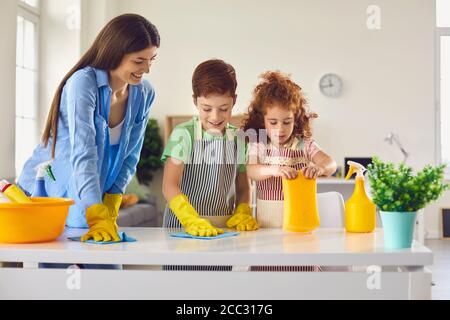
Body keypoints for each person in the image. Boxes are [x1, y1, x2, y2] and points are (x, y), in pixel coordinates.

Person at [17, 14, 160, 244]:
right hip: (50, 195)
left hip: (88, 196)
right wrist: (95, 211)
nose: (147, 69)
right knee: (59, 275)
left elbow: (130, 155)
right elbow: (84, 152)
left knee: (106, 272)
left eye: (152, 60)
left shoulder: (143, 93)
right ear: (116, 52)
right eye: (139, 61)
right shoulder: (83, 83)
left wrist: (112, 201)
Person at [243, 71, 337, 271]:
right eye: (273, 122)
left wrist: (319, 168)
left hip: (300, 231)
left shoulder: (304, 144)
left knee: (301, 275)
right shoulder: (259, 143)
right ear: (263, 120)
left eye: (287, 122)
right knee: (268, 277)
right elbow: (251, 171)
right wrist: (274, 169)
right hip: (267, 229)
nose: (280, 129)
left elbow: (331, 164)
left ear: (296, 119)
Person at [161, 59, 258, 239]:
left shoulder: (239, 139)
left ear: (234, 101)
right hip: (182, 228)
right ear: (195, 101)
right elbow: (169, 185)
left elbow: (244, 187)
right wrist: (190, 219)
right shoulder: (183, 134)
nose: (215, 116)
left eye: (223, 108)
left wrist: (243, 210)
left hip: (224, 228)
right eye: (206, 108)